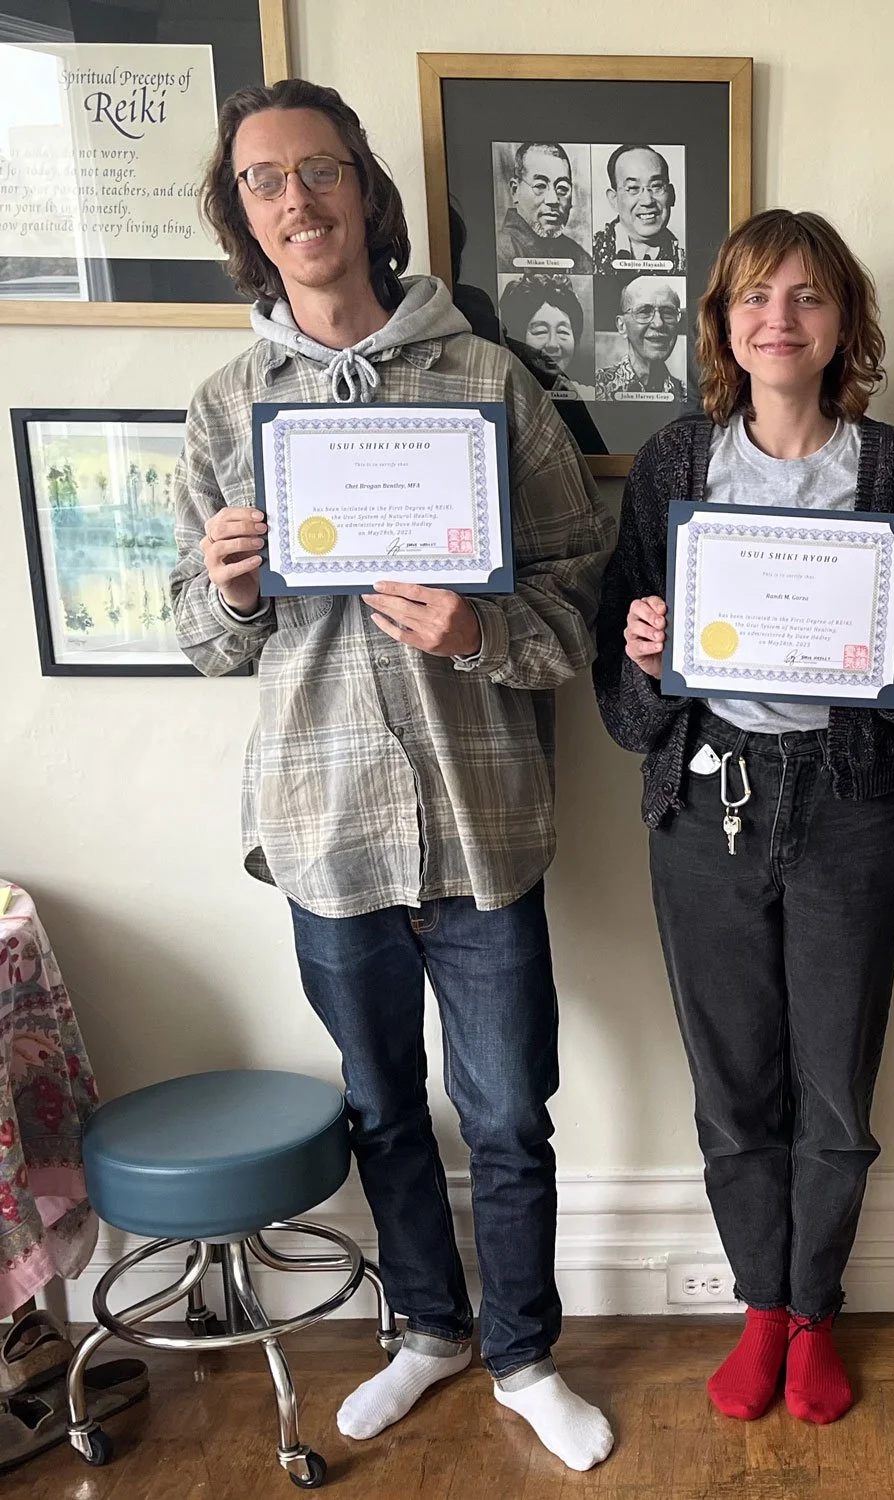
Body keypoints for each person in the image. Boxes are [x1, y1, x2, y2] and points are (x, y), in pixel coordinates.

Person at [171, 78, 617, 1473]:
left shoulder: (484, 380)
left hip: (483, 822)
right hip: (325, 828)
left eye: (317, 172)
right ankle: (428, 1329)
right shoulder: (226, 406)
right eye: (263, 183)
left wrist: (483, 630)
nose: (295, 201)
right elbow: (197, 641)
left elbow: (583, 597)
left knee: (507, 1116)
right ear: (242, 216)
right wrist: (234, 590)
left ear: (363, 189)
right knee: (381, 1107)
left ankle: (527, 1353)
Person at [593, 209, 894, 1425]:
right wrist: (648, 654)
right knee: (732, 1085)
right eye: (756, 297)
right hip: (710, 806)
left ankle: (815, 1310)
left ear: (842, 322)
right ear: (724, 321)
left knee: (838, 1092)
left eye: (806, 298)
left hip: (851, 808)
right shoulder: (671, 465)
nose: (780, 320)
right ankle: (760, 1305)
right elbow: (621, 682)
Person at [494, 142, 590, 272]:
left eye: (562, 188)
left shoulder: (580, 258)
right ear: (515, 190)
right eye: (540, 186)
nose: (553, 200)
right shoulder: (500, 252)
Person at [592, 144, 686, 273]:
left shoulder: (686, 260)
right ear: (613, 199)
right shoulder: (589, 255)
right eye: (633, 188)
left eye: (656, 186)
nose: (647, 201)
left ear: (672, 195)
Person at [595, 276, 689, 401]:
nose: (659, 323)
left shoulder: (686, 394)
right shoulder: (596, 387)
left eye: (668, 312)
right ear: (622, 325)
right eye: (644, 312)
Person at [499, 276, 592, 399]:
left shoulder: (588, 397)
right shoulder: (501, 394)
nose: (552, 345)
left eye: (563, 332)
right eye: (540, 332)